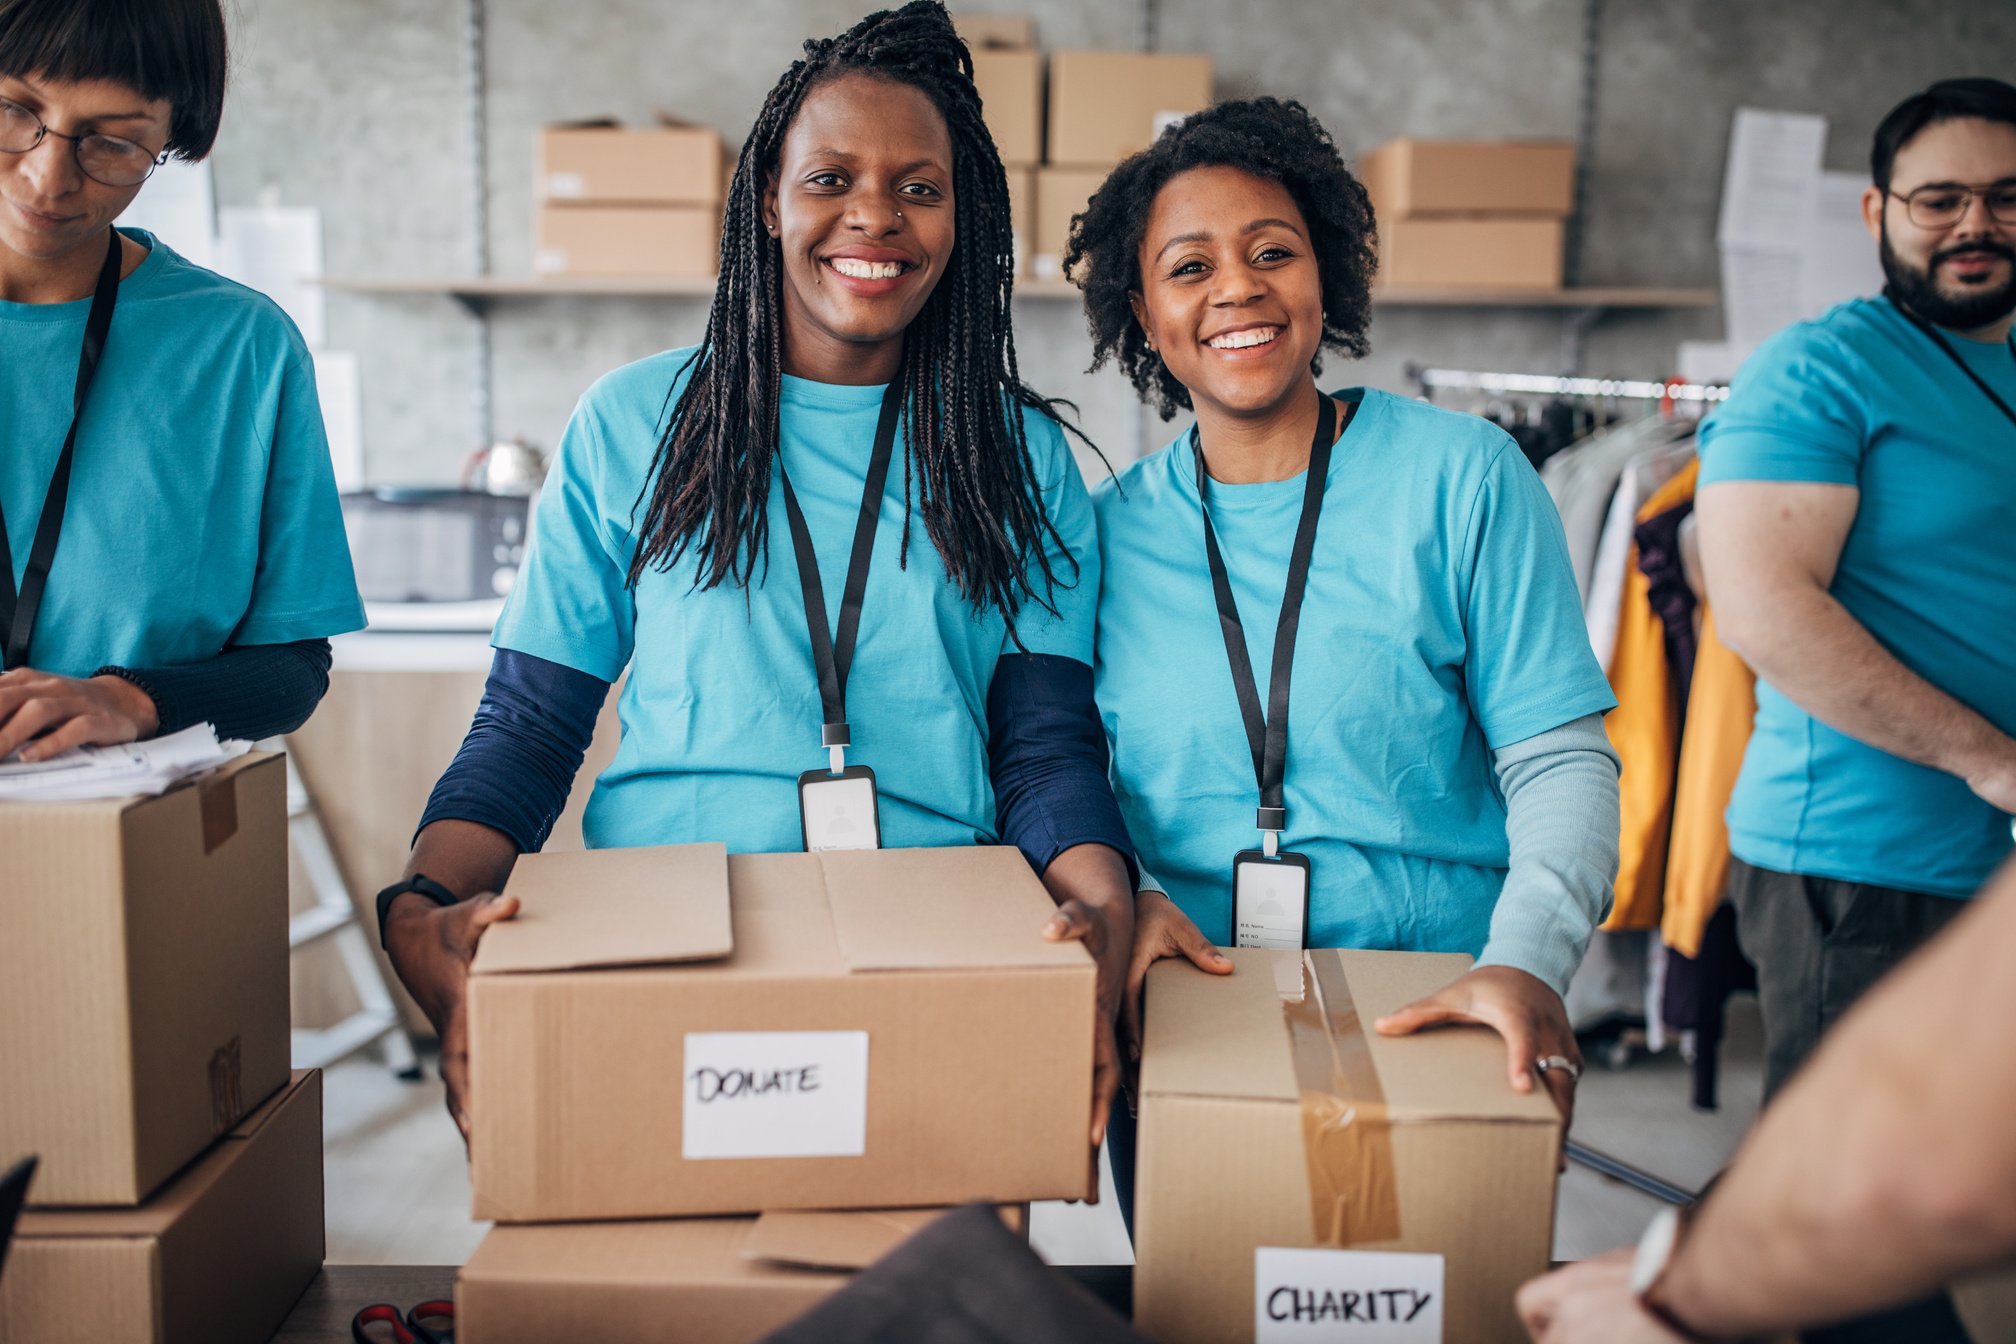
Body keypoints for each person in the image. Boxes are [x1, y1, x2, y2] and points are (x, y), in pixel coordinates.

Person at [377, 1, 1135, 1149]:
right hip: (663, 929)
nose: (873, 214)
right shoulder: (635, 422)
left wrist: (1097, 920)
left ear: (962, 220)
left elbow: (1042, 749)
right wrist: (423, 909)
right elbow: (534, 725)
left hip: (929, 932)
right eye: (830, 176)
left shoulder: (1014, 454)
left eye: (919, 187)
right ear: (767, 200)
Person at [1066, 99, 1621, 1217]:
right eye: (1190, 266)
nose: (1238, 288)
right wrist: (1127, 892)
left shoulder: (1465, 478)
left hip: (1439, 1007)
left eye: (1274, 251)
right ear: (1145, 313)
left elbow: (1561, 763)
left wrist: (1525, 962)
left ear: (1326, 276)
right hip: (1188, 1019)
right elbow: (1074, 778)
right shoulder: (1102, 533)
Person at [1695, 77, 2016, 1104]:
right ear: (1879, 212)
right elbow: (1762, 608)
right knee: (1846, 1229)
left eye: (2009, 197)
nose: (1978, 224)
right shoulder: (1818, 372)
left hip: (1986, 866)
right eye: (1942, 199)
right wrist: (1993, 763)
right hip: (1864, 866)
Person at [0, 0, 360, 757]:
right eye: (13, 109)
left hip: (121, 835)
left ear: (173, 137)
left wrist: (131, 701)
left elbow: (292, 667)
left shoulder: (241, 347)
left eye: (113, 142)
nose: (47, 177)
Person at [1516, 858, 2016, 1344]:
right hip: (1851, 854)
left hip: (1880, 862)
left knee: (1855, 1260)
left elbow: (1911, 1169)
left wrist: (1672, 1293)